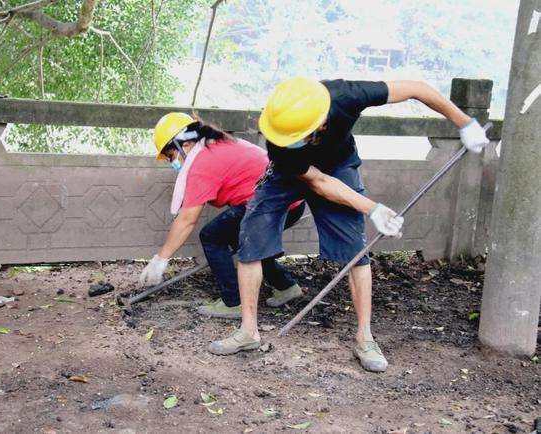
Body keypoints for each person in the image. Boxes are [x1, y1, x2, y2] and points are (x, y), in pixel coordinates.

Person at [208, 78, 490, 372]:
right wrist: (372, 208)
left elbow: (416, 89)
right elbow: (316, 181)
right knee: (251, 238)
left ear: (321, 121)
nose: (293, 140)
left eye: (301, 135)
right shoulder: (280, 138)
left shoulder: (345, 97)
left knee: (356, 250)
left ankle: (365, 338)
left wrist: (465, 122)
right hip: (291, 174)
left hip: (339, 164)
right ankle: (248, 331)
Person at [139, 112, 306, 318]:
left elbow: (187, 220)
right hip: (290, 201)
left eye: (170, 155)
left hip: (274, 205)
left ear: (186, 143)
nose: (171, 162)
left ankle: (233, 302)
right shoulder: (217, 144)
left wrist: (160, 260)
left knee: (212, 236)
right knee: (248, 241)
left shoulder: (202, 162)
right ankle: (286, 287)